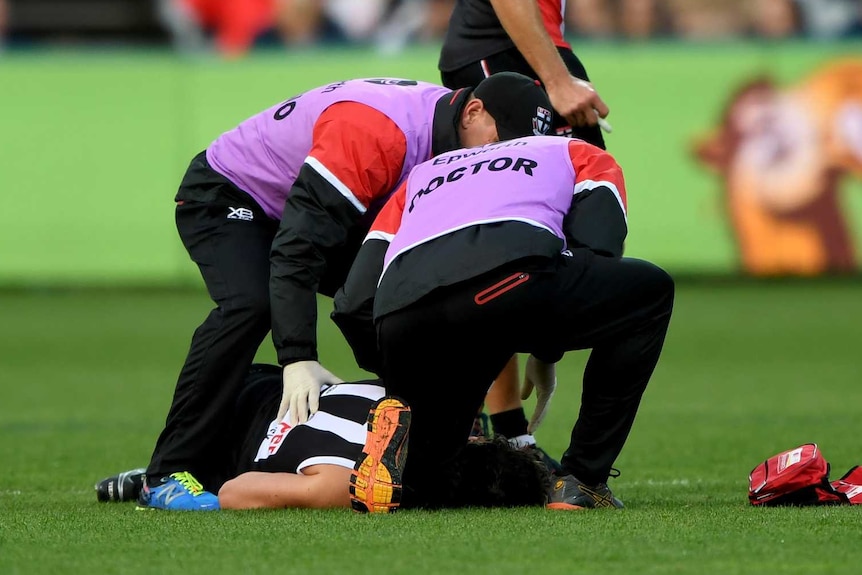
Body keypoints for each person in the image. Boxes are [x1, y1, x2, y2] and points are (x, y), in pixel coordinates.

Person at [139, 72, 553, 511]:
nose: (501, 156)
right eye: (501, 140)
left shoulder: (452, 136)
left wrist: (545, 347)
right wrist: (297, 357)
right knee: (252, 303)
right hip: (228, 195)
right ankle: (167, 472)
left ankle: (447, 424)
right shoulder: (376, 132)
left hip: (302, 208)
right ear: (472, 111)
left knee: (411, 296)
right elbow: (297, 247)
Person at [333, 134, 674, 512]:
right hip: (504, 289)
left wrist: (395, 374)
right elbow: (596, 254)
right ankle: (583, 481)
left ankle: (408, 463)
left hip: (401, 314)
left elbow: (351, 303)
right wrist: (547, 350)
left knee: (432, 479)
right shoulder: (577, 152)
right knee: (650, 293)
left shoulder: (422, 174)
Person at [437, 0, 612, 451]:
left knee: (551, 220)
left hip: (526, 49)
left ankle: (502, 430)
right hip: (506, 51)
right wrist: (555, 80)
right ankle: (487, 427)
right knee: (502, 231)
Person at [97, 365, 551, 510]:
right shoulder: (348, 485)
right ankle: (158, 479)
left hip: (245, 379)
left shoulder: (417, 400)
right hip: (220, 451)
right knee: (218, 490)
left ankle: (160, 470)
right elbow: (236, 494)